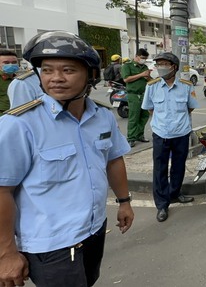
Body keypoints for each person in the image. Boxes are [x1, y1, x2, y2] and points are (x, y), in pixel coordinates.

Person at [0, 31, 133, 287]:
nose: (56, 79)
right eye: (47, 70)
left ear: (91, 75)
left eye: (68, 70)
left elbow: (113, 159)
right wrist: (6, 253)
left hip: (94, 231)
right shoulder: (18, 125)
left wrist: (124, 202)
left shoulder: (102, 117)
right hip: (52, 245)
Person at [142, 52, 199, 222]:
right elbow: (150, 109)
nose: (161, 68)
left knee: (178, 166)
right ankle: (161, 204)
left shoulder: (186, 86)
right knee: (159, 169)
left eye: (164, 64)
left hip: (181, 133)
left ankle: (175, 193)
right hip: (161, 134)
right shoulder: (151, 86)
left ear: (174, 67)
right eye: (158, 64)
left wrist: (178, 122)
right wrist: (163, 122)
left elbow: (191, 107)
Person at [121, 48, 151, 148]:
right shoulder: (127, 66)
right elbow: (126, 79)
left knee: (144, 116)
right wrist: (142, 74)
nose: (143, 60)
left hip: (144, 94)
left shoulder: (145, 67)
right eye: (142, 58)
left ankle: (139, 135)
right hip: (133, 94)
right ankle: (131, 138)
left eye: (145, 59)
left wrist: (148, 77)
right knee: (134, 117)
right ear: (136, 56)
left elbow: (148, 80)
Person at [0, 50, 19, 115]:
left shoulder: (20, 79)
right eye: (6, 63)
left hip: (18, 113)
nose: (11, 65)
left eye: (14, 62)